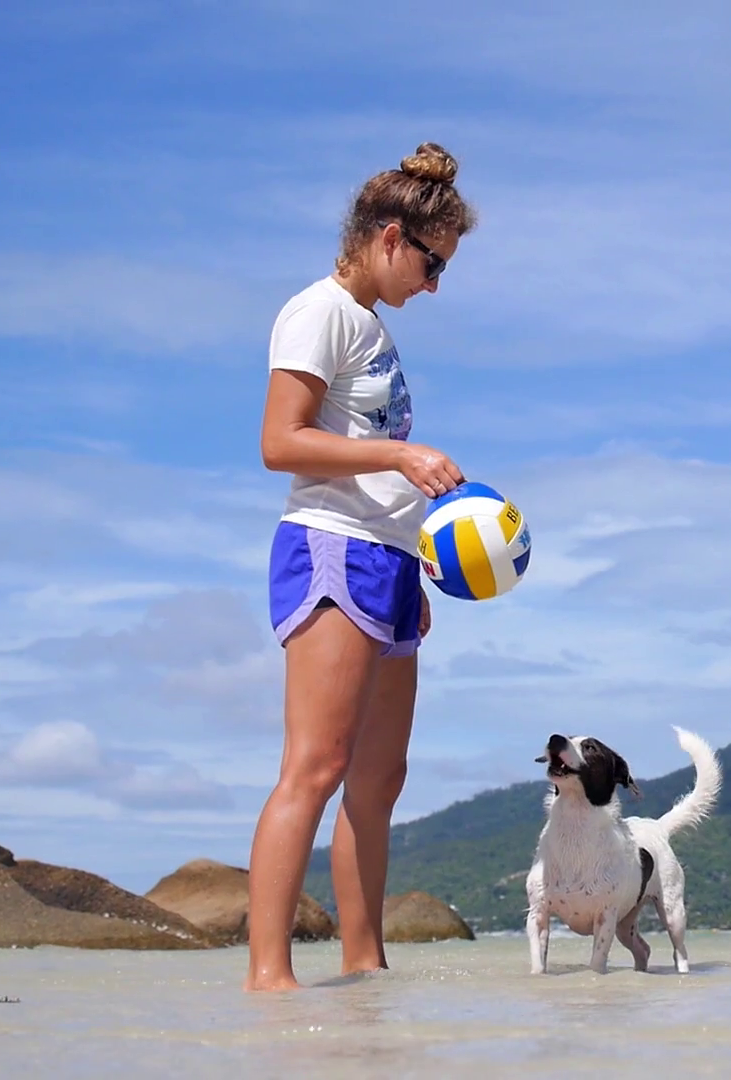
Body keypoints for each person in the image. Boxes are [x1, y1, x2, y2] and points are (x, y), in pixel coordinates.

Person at [246, 142, 476, 992]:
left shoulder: (372, 329)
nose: (434, 284)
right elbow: (280, 442)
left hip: (389, 561)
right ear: (389, 236)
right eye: (431, 262)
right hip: (330, 547)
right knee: (315, 766)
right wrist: (401, 457)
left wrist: (418, 555)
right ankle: (269, 981)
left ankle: (364, 967)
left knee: (379, 780)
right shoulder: (317, 312)